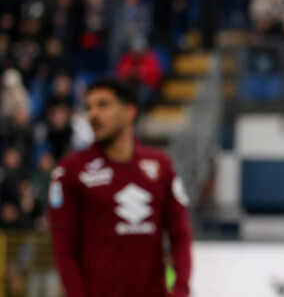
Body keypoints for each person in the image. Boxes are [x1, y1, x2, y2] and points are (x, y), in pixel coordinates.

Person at [48, 78, 192, 297]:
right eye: (89, 107)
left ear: (129, 112)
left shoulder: (161, 167)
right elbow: (63, 248)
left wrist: (181, 290)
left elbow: (180, 235)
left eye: (103, 105)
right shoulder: (70, 171)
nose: (93, 114)